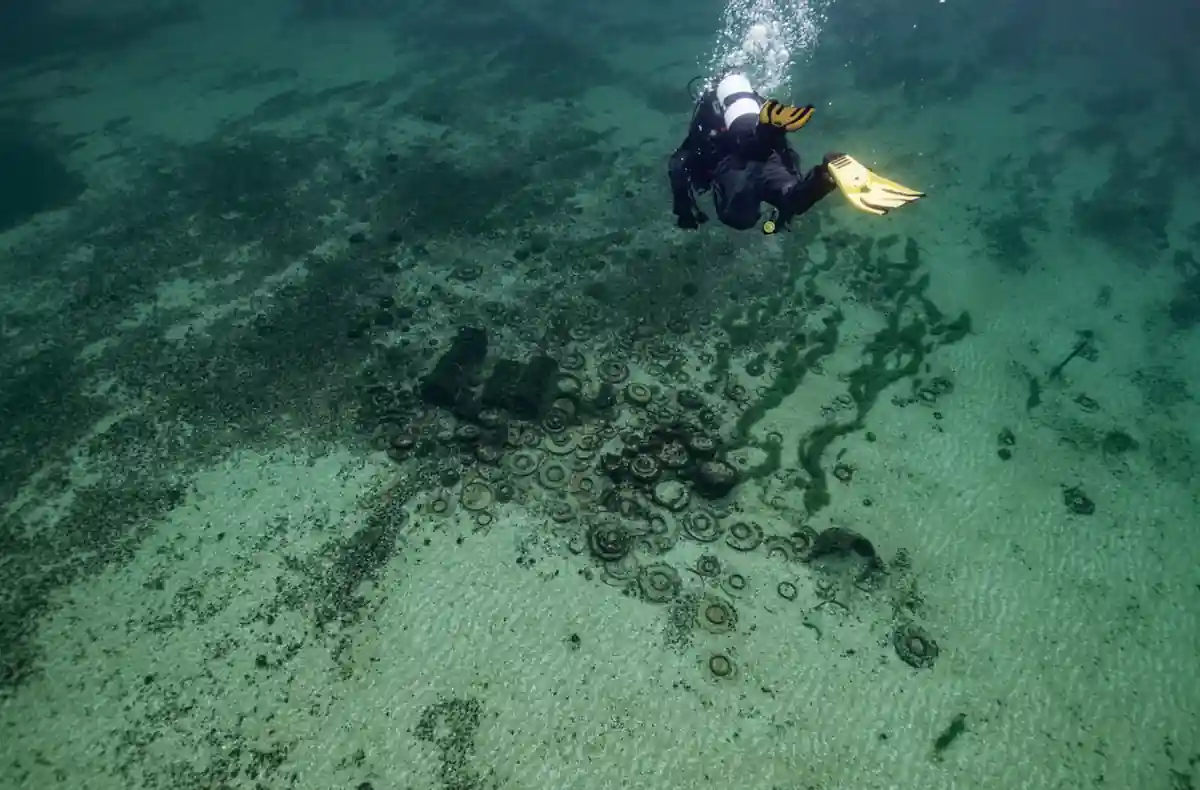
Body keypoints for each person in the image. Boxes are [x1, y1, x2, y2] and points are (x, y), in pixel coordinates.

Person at [668, 73, 924, 233]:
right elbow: (782, 151)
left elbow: (678, 164)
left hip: (734, 167)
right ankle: (825, 174)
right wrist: (789, 183)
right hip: (770, 155)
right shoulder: (758, 102)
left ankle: (770, 138)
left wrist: (683, 208)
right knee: (792, 198)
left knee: (739, 219)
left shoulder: (707, 111)